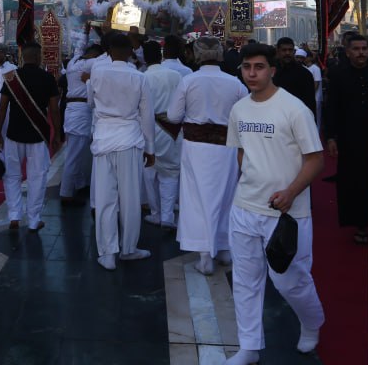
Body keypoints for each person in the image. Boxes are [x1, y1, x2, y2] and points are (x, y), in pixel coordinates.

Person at [221, 43, 326, 365]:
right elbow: (241, 153)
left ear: (272, 70)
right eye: (246, 67)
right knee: (245, 280)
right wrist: (252, 183)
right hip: (245, 208)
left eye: (259, 67)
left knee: (289, 281)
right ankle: (249, 346)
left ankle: (312, 322)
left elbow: (316, 159)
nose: (252, 73)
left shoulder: (294, 109)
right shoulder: (239, 109)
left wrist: (291, 191)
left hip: (287, 213)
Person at [168, 36, 248, 275]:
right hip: (226, 149)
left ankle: (205, 256)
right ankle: (224, 249)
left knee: (197, 199)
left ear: (197, 55)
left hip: (196, 149)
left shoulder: (189, 81)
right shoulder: (235, 83)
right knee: (226, 196)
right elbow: (245, 116)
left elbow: (173, 116)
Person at [87, 32, 155, 269]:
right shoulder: (139, 77)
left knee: (105, 199)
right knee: (130, 199)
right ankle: (128, 249)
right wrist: (150, 148)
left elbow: (91, 103)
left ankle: (107, 254)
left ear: (108, 51)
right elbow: (147, 115)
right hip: (130, 139)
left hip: (103, 138)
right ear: (130, 52)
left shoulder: (97, 73)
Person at [323, 34, 368, 244]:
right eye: (356, 49)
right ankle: (361, 224)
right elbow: (331, 107)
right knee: (354, 182)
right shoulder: (338, 74)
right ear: (348, 52)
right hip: (350, 137)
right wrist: (331, 137)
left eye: (364, 49)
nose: (361, 53)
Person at [0, 43, 61, 231]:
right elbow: (54, 110)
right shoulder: (48, 78)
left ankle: (14, 216)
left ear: (22, 57)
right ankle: (33, 220)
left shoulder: (11, 77)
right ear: (39, 57)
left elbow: (2, 108)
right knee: (37, 178)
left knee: (12, 176)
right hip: (37, 136)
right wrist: (57, 133)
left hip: (13, 134)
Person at [141, 40, 182, 230]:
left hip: (149, 128)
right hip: (173, 129)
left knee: (150, 172)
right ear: (161, 55)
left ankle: (156, 213)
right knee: (171, 173)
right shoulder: (176, 75)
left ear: (144, 57)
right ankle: (167, 216)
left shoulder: (142, 77)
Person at [58, 43, 102, 206]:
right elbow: (106, 61)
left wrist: (85, 33)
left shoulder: (73, 61)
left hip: (71, 108)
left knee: (75, 149)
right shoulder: (90, 63)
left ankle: (80, 183)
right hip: (81, 110)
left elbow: (79, 47)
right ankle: (66, 193)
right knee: (75, 154)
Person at [273, 37, 317, 118]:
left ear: (294, 51)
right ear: (278, 51)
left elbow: (310, 102)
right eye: (284, 50)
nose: (287, 53)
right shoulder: (270, 72)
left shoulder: (304, 74)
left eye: (290, 50)